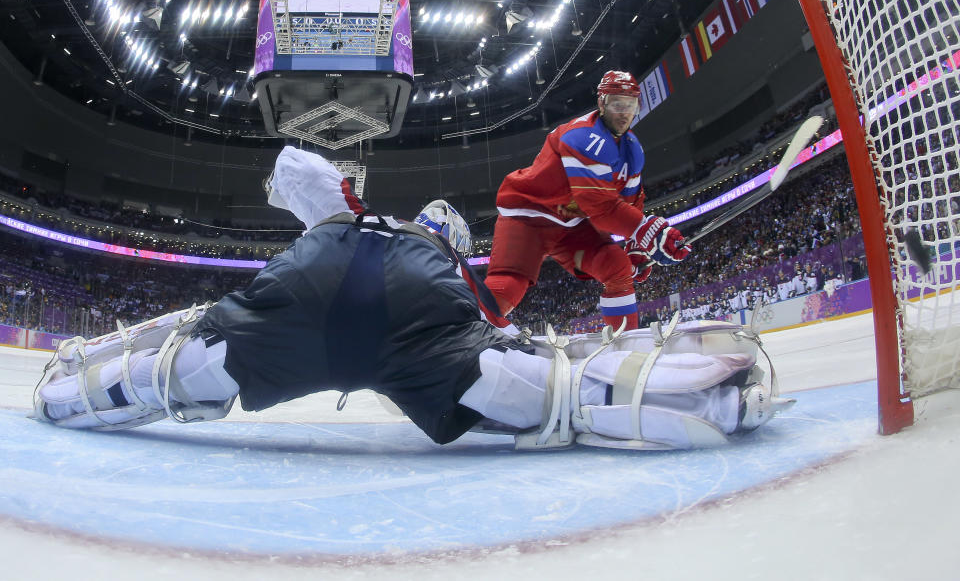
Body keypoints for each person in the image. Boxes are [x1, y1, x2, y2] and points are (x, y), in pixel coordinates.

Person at [30, 147, 792, 451]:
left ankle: (65, 392)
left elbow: (303, 179)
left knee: (192, 363)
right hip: (418, 311)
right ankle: (713, 396)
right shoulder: (448, 256)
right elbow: (498, 316)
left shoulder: (352, 217)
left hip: (316, 277)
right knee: (539, 383)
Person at [485, 70, 692, 332]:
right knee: (507, 286)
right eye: (617, 104)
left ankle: (625, 348)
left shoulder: (632, 151)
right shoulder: (582, 137)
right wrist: (649, 232)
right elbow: (602, 209)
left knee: (619, 267)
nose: (624, 112)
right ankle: (463, 334)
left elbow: (629, 206)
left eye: (630, 105)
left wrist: (637, 246)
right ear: (602, 102)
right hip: (529, 217)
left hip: (572, 225)